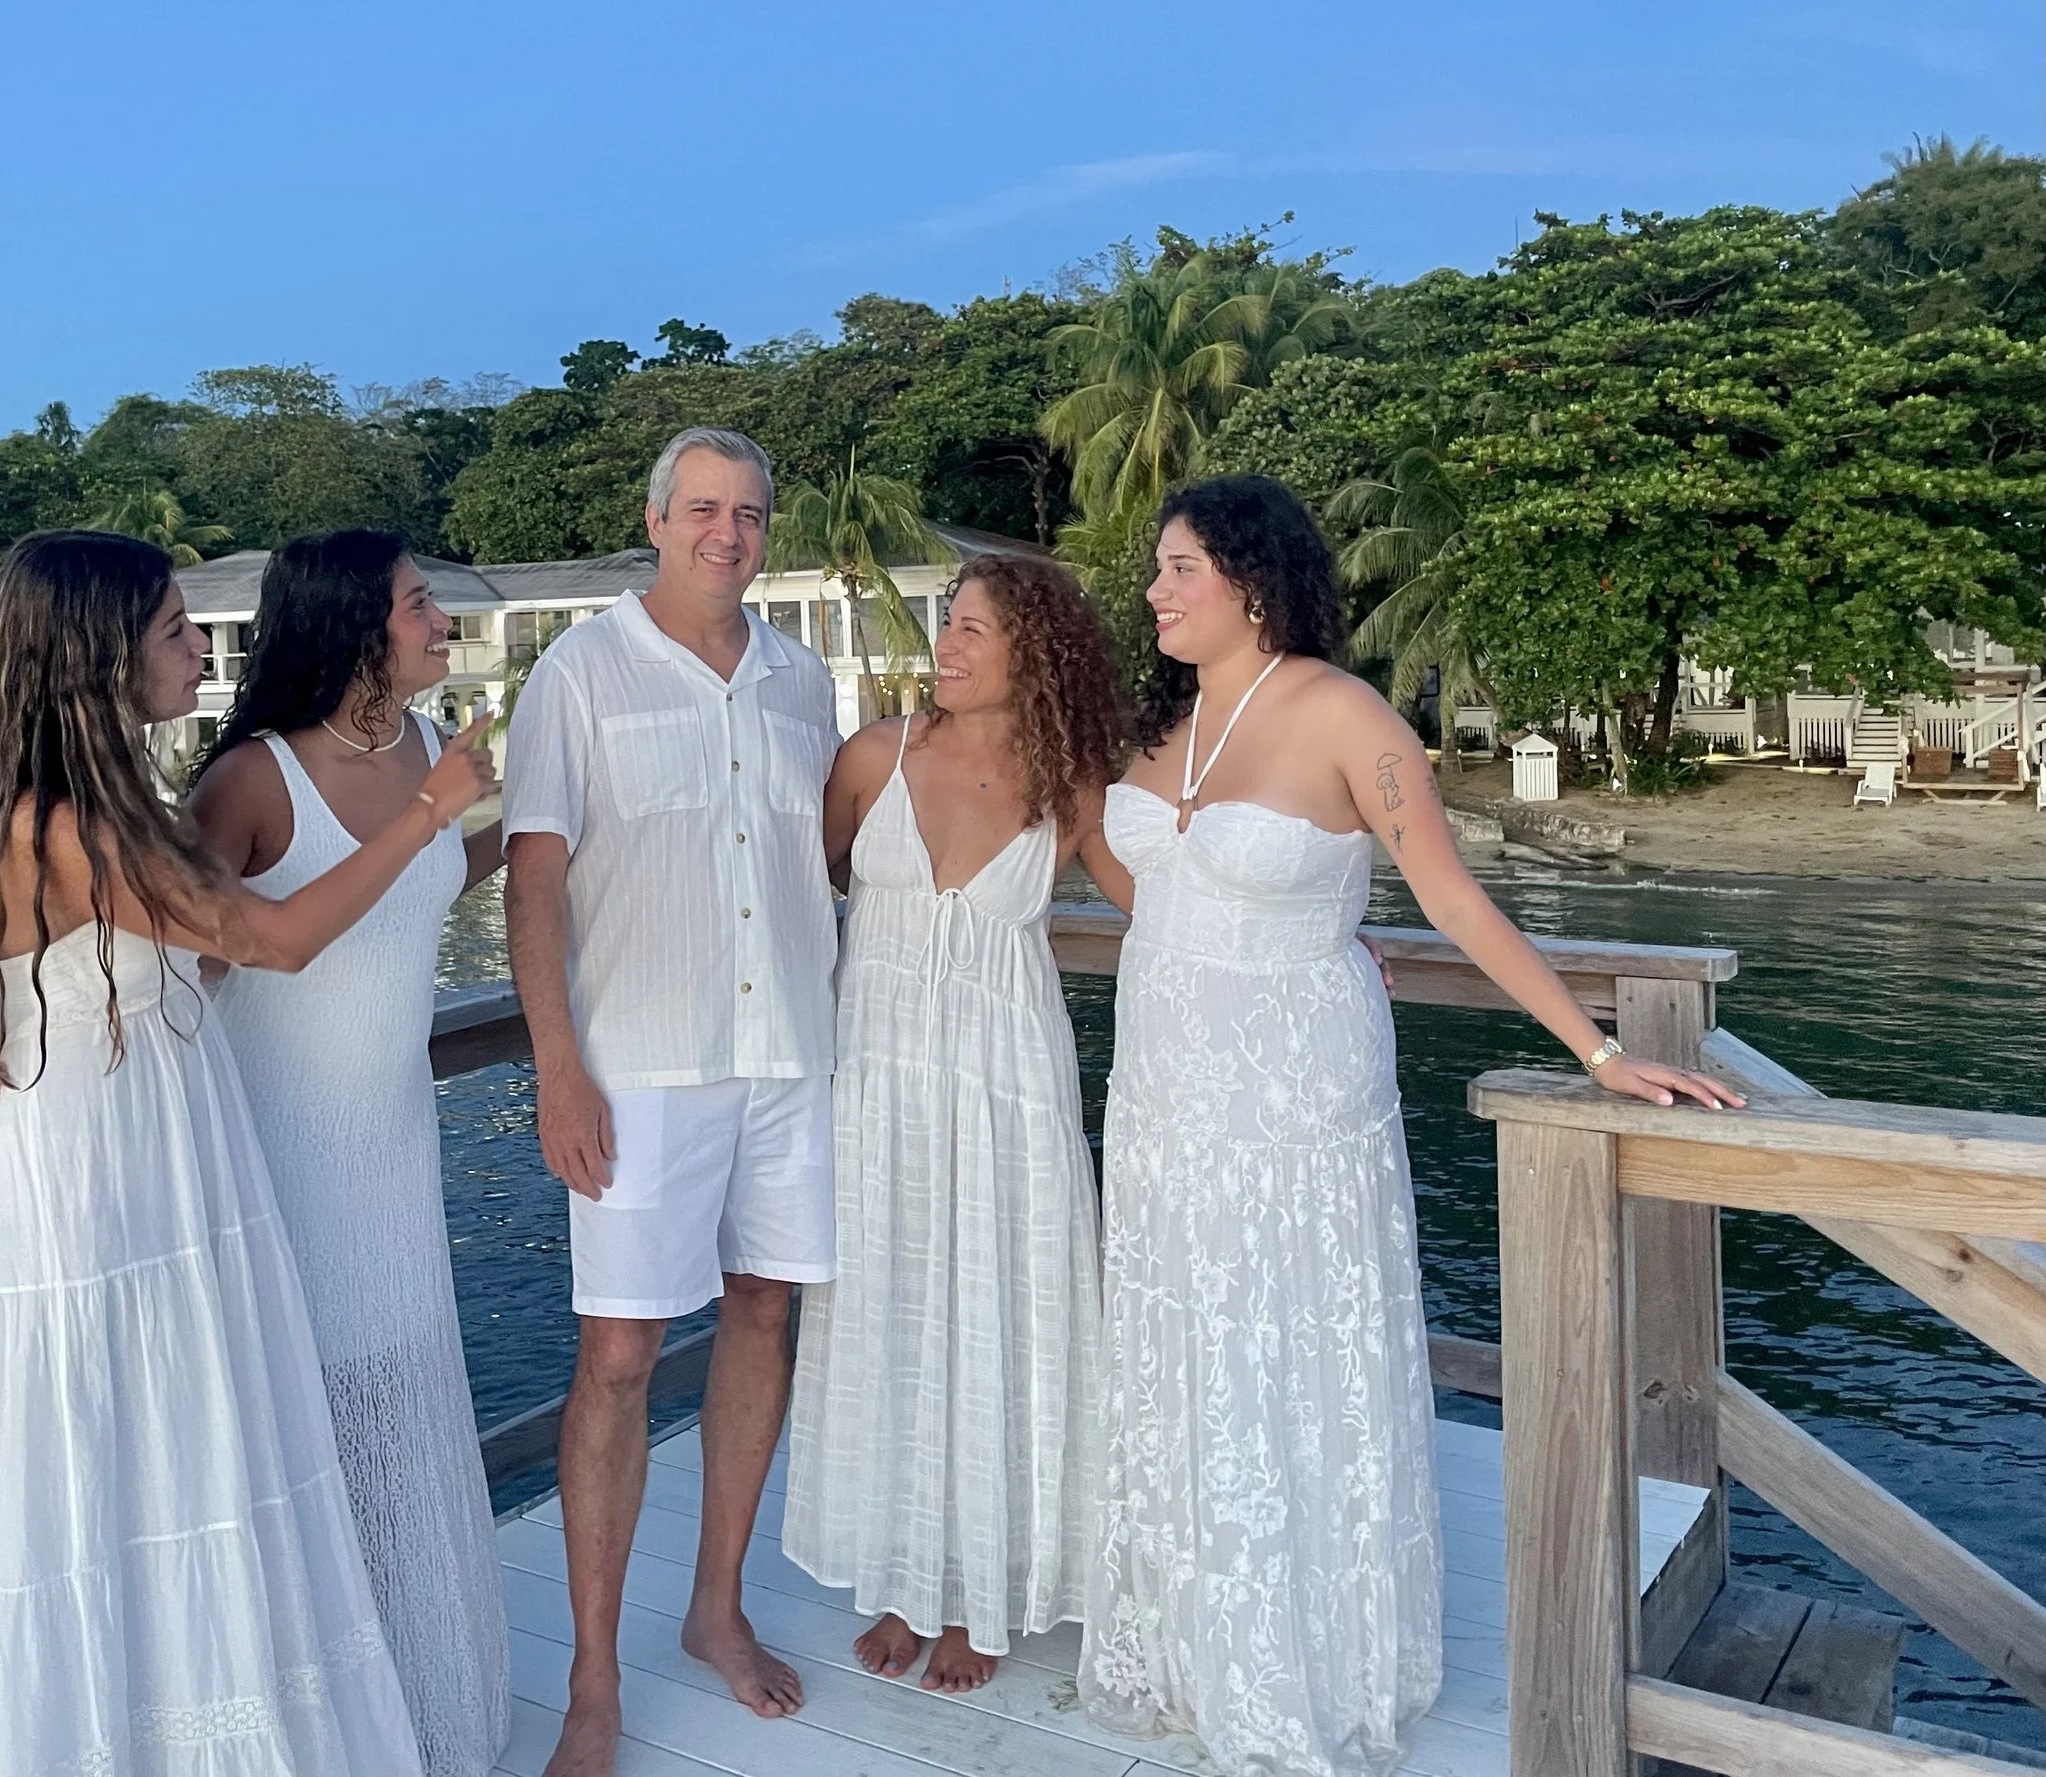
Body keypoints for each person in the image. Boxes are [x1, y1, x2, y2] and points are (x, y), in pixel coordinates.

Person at [1077, 477, 1741, 1776]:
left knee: (1289, 1352)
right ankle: (1194, 1642)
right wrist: (1293, 916)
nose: (1154, 591)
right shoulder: (1163, 724)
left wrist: (1599, 1049)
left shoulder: (1347, 716)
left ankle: (1303, 1663)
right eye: (1157, 570)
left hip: (1297, 1095)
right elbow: (1146, 879)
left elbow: (1454, 899)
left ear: (1253, 581)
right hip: (1165, 1091)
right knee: (1186, 1353)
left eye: (1178, 568)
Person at [0, 528, 494, 1777]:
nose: (200, 648)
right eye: (178, 628)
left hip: (147, 1153)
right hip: (97, 1182)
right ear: (99, 656)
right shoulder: (68, 825)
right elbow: (272, 940)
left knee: (181, 1467)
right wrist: (430, 809)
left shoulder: (97, 805)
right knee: (112, 1481)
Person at [502, 428, 839, 1777]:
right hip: (639, 1057)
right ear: (655, 519)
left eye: (751, 512)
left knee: (765, 1308)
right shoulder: (576, 675)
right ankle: (593, 1678)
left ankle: (716, 1604)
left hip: (793, 1055)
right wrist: (557, 1065)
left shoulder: (802, 679)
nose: (728, 532)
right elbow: (534, 882)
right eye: (704, 508)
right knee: (622, 1359)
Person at [191, 530, 512, 1777]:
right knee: (306, 1427)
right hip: (279, 1157)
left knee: (396, 1401)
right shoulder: (253, 780)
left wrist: (539, 843)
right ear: (351, 624)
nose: (441, 621)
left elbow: (422, 882)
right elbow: (181, 956)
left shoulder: (433, 753)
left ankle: (422, 1707)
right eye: (421, 604)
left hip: (393, 1148)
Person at [784, 554, 1128, 1692]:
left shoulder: (1068, 786)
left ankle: (983, 1593)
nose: (950, 643)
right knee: (886, 1315)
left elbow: (1166, 898)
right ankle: (896, 1577)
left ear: (1034, 654)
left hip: (1006, 1097)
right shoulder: (873, 756)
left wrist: (1336, 934)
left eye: (976, 629)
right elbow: (803, 884)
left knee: (1001, 1319)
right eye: (951, 623)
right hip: (876, 1087)